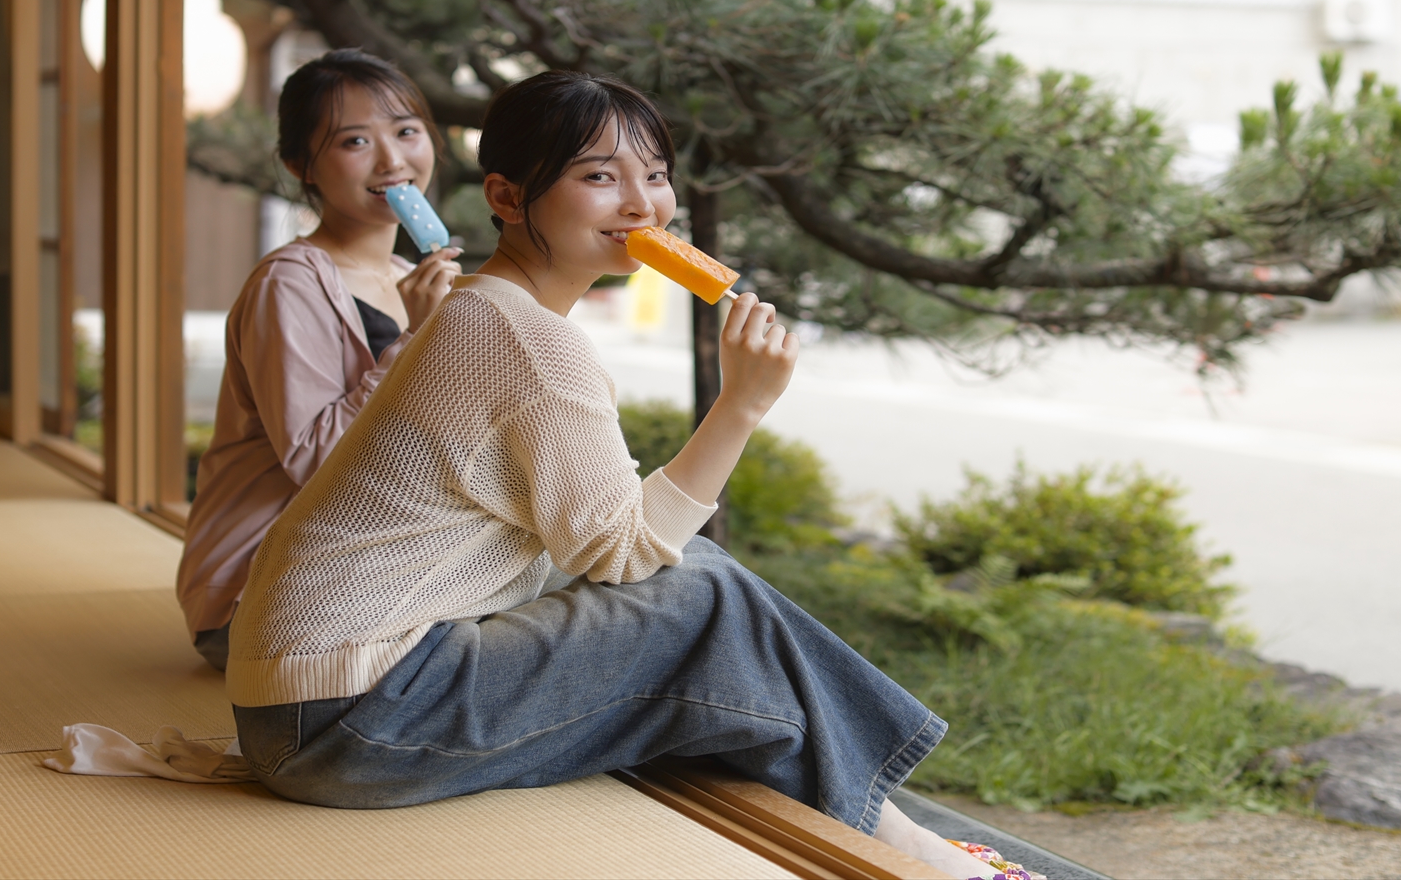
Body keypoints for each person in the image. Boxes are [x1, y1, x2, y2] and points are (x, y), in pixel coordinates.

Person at [223, 71, 990, 878]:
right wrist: (740, 407)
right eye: (599, 176)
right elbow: (620, 553)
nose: (641, 205)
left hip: (304, 704)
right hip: (350, 717)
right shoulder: (528, 342)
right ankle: (902, 844)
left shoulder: (481, 309)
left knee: (700, 574)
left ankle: (878, 826)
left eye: (653, 175)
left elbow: (611, 539)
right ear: (508, 196)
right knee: (707, 595)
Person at [178, 50, 462, 671]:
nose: (393, 160)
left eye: (407, 131)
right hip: (263, 594)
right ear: (299, 165)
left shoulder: (410, 278)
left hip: (362, 565)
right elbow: (315, 457)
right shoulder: (291, 283)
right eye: (355, 140)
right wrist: (414, 341)